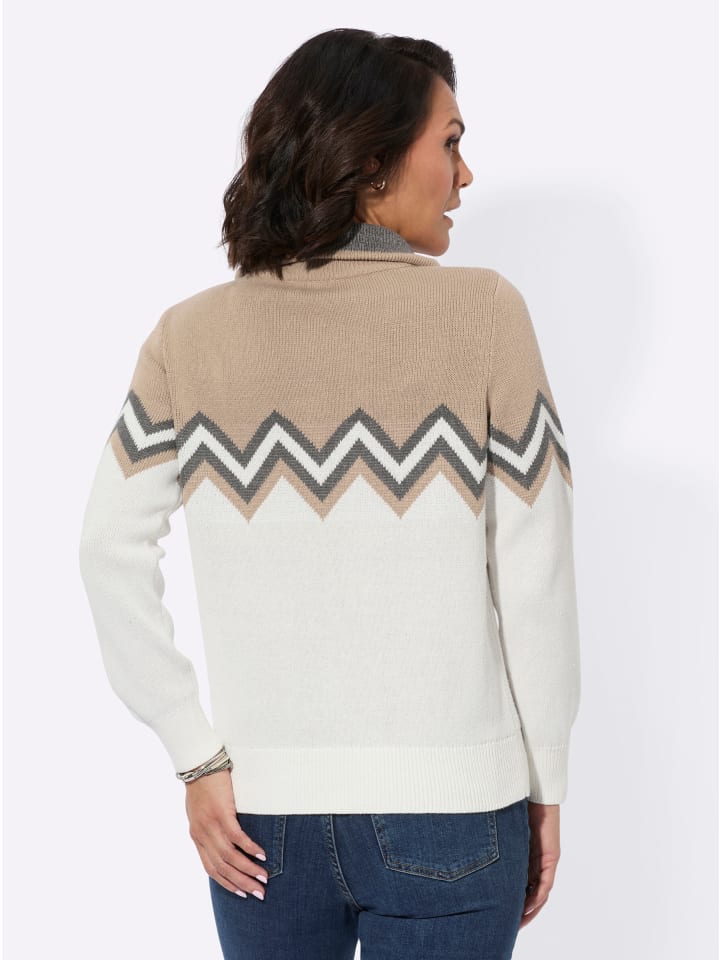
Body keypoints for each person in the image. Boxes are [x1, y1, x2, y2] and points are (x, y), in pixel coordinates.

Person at [78, 27, 581, 960]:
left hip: (261, 820)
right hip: (456, 816)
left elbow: (106, 550)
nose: (465, 175)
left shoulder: (189, 336)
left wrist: (195, 755)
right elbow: (535, 576)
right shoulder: (485, 313)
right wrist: (547, 779)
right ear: (373, 160)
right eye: (451, 143)